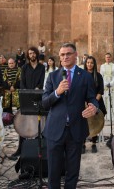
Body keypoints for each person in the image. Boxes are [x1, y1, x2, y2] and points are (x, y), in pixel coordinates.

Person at [42, 43, 99, 189]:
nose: (65, 57)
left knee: (73, 172)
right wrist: (57, 92)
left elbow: (92, 98)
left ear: (75, 55)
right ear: (59, 58)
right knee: (53, 172)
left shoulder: (85, 76)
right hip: (55, 130)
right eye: (62, 55)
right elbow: (44, 103)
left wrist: (94, 107)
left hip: (76, 129)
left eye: (68, 54)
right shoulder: (52, 76)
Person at [83, 56, 106, 154]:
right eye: (88, 62)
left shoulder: (99, 76)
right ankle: (83, 143)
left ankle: (93, 143)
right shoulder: (82, 75)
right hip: (83, 103)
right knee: (83, 123)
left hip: (96, 102)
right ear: (85, 64)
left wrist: (93, 103)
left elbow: (101, 90)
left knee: (95, 122)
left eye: (91, 63)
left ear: (94, 64)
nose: (89, 64)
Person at [100, 53, 114, 121]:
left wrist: (111, 83)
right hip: (105, 85)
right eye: (106, 57)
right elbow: (101, 76)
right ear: (105, 58)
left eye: (109, 57)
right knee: (105, 100)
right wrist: (105, 83)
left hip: (112, 85)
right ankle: (106, 116)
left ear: (111, 58)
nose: (108, 58)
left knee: (112, 100)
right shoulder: (102, 66)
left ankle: (112, 116)